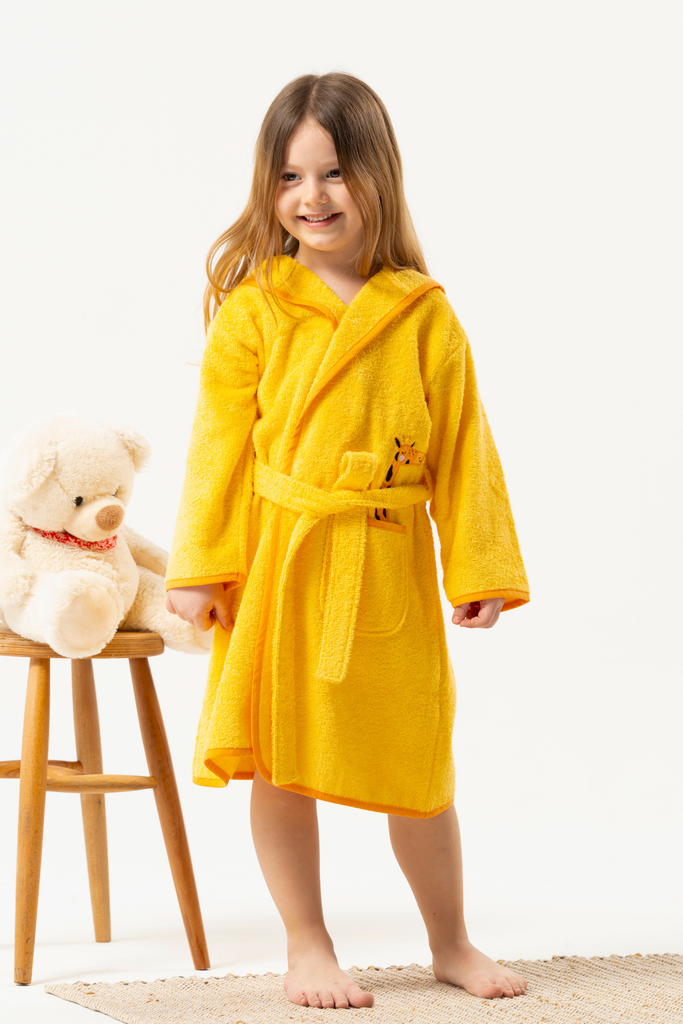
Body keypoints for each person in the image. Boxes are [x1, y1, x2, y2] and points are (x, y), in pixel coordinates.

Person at [165, 71, 530, 1011]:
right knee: (281, 759)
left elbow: (465, 447)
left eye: (333, 172)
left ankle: (449, 940)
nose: (313, 196)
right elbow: (215, 448)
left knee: (419, 763)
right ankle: (307, 942)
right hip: (281, 566)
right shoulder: (255, 307)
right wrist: (199, 568)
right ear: (268, 188)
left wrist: (479, 565)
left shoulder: (422, 311)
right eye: (290, 177)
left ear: (377, 175)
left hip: (386, 562)